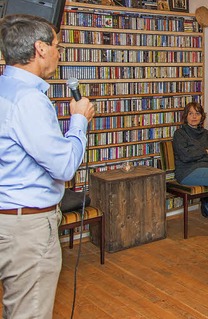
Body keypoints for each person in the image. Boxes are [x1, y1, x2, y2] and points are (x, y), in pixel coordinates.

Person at [0, 14, 95, 318]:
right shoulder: (29, 100)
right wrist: (79, 120)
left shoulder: (5, 90)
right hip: (26, 228)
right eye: (57, 45)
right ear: (40, 48)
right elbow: (65, 167)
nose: (59, 52)